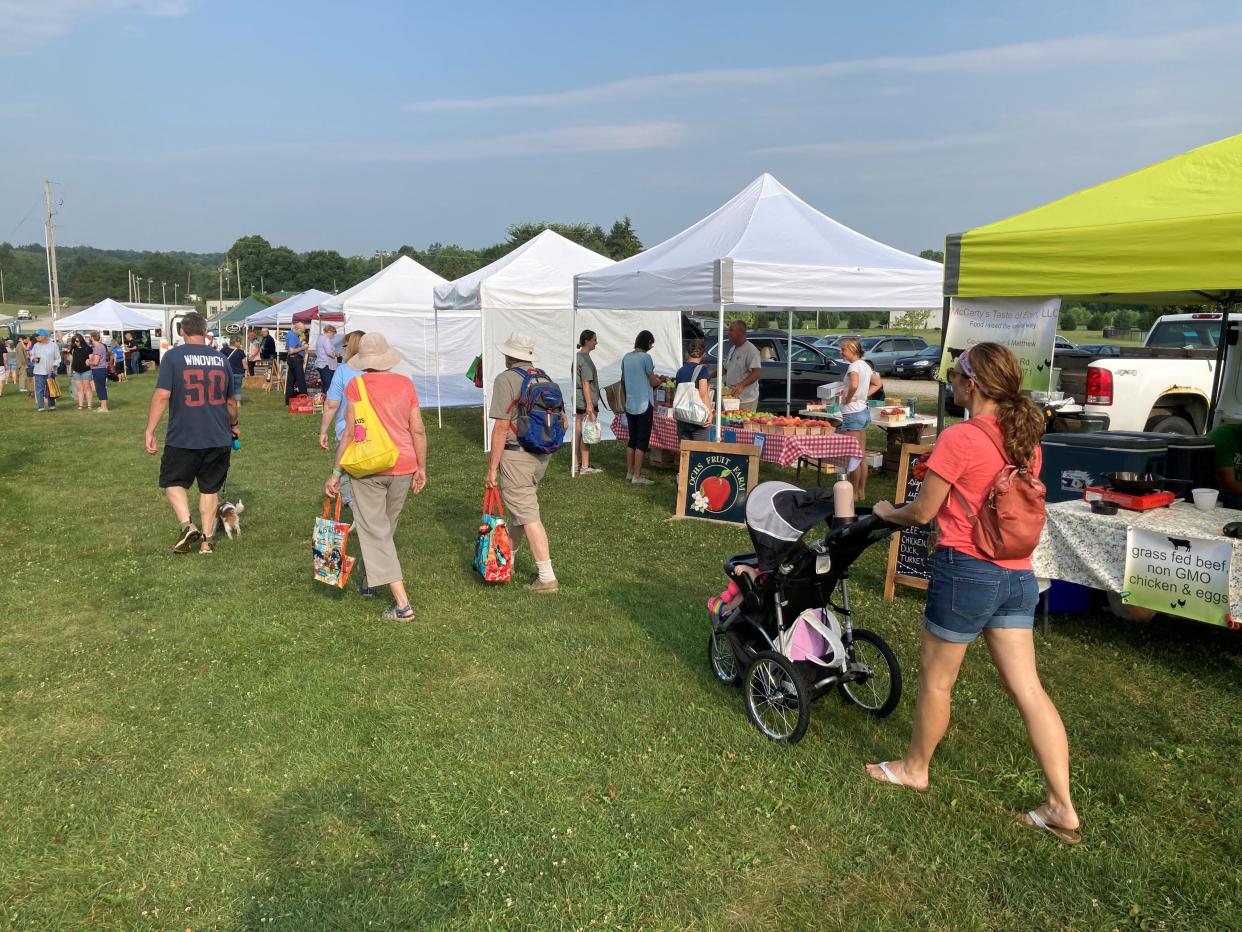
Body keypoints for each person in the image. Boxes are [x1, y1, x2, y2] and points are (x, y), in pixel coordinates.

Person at [868, 343, 1079, 845]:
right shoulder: (1025, 438)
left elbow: (922, 512)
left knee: (937, 681)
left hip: (968, 572)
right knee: (1028, 689)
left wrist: (883, 512)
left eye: (956, 376)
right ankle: (1061, 806)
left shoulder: (961, 437)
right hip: (1018, 577)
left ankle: (915, 768)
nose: (951, 383)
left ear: (975, 385)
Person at [324, 333, 427, 620]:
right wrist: (421, 467)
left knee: (375, 531)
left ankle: (402, 603)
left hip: (368, 465)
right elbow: (417, 429)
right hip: (403, 464)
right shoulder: (406, 384)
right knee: (385, 527)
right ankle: (369, 580)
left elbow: (349, 432)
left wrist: (336, 472)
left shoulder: (357, 385)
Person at [143, 312, 238, 556]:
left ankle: (188, 525)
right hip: (218, 435)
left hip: (184, 435)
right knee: (209, 490)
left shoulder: (173, 357)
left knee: (173, 483)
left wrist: (150, 430)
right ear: (206, 332)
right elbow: (230, 402)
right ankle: (206, 541)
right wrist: (234, 426)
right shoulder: (221, 359)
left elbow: (162, 395)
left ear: (182, 332)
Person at [486, 332, 563, 592]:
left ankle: (546, 577)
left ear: (509, 355)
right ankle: (509, 559)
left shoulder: (505, 379)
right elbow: (562, 421)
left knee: (528, 515)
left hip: (515, 455)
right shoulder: (544, 378)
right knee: (520, 510)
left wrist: (492, 469)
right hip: (541, 455)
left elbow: (500, 427)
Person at [839, 338, 879, 501]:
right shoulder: (865, 365)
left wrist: (848, 398)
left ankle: (853, 493)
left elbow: (854, 384)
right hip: (863, 411)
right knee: (861, 455)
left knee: (853, 456)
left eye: (843, 349)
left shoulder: (854, 366)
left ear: (852, 349)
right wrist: (863, 396)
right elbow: (877, 383)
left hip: (853, 414)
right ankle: (861, 491)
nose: (841, 352)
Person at [621, 330, 662, 485]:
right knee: (642, 441)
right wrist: (659, 381)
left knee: (632, 439)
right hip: (644, 403)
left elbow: (624, 379)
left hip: (630, 403)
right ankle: (637, 476)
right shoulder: (646, 357)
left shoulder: (626, 357)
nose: (652, 346)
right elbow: (652, 381)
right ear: (648, 342)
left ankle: (630, 471)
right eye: (651, 343)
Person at [573, 329, 602, 475]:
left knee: (578, 431)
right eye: (594, 340)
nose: (596, 342)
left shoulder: (578, 357)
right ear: (587, 340)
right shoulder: (584, 359)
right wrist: (589, 404)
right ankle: (584, 465)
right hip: (585, 400)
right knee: (587, 431)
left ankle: (576, 463)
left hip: (578, 399)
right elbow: (586, 383)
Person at [673, 339, 714, 442]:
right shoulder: (702, 370)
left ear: (688, 352)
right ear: (703, 354)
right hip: (697, 417)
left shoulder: (680, 371)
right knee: (700, 452)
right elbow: (703, 394)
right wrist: (709, 413)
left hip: (682, 416)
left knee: (685, 452)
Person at [723, 320, 762, 413]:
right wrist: (708, 376)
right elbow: (725, 369)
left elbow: (757, 372)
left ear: (740, 332)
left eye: (731, 330)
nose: (728, 333)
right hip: (732, 400)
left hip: (746, 400)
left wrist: (742, 384)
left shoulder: (751, 350)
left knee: (743, 426)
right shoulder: (733, 348)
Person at [30, 329, 61, 412]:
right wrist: (33, 359)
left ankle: (52, 405)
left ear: (43, 336)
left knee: (50, 388)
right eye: (35, 336)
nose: (36, 337)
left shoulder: (53, 345)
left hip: (50, 371)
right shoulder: (36, 345)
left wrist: (55, 365)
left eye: (37, 336)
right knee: (39, 389)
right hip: (39, 371)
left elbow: (58, 358)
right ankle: (41, 407)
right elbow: (31, 355)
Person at [68, 334, 94, 409]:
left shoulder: (88, 348)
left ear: (81, 340)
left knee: (87, 388)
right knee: (79, 389)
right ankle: (80, 405)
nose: (75, 343)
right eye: (74, 341)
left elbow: (91, 359)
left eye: (77, 341)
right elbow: (71, 360)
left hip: (86, 370)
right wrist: (69, 353)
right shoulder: (73, 349)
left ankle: (89, 405)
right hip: (76, 371)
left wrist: (89, 360)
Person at [284, 321, 308, 400]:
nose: (303, 333)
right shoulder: (292, 335)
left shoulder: (292, 335)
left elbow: (294, 346)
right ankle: (305, 398)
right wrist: (303, 348)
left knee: (291, 380)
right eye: (302, 331)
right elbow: (291, 350)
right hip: (295, 358)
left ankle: (289, 399)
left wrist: (301, 342)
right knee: (300, 379)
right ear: (298, 329)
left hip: (293, 358)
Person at [88, 331, 111, 413]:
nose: (89, 339)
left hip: (99, 369)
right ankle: (102, 406)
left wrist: (88, 362)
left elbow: (96, 362)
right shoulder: (100, 346)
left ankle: (104, 407)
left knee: (100, 388)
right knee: (99, 388)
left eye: (90, 337)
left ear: (92, 338)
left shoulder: (98, 348)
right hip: (100, 369)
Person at [314, 324, 339, 393]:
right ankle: (328, 401)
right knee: (328, 385)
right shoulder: (326, 339)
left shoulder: (320, 338)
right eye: (333, 334)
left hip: (320, 363)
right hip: (326, 365)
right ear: (329, 332)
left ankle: (323, 399)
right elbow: (329, 352)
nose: (333, 336)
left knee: (324, 385)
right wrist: (335, 354)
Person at [225, 336, 246, 402]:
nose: (240, 343)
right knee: (237, 387)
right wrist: (246, 372)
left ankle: (228, 401)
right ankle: (238, 403)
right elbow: (244, 364)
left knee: (227, 388)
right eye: (239, 342)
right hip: (238, 373)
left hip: (227, 372)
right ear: (235, 342)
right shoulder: (241, 352)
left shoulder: (223, 350)